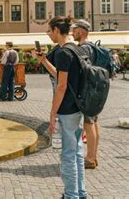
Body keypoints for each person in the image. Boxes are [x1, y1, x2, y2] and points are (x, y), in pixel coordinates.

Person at [46, 16, 87, 198]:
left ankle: (71, 195)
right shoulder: (77, 49)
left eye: (50, 31)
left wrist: (52, 113)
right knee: (77, 152)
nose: (49, 35)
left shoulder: (63, 52)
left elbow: (61, 86)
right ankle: (80, 192)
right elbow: (63, 77)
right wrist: (43, 61)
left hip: (67, 109)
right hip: (79, 106)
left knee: (68, 155)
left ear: (56, 30)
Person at [71, 19, 100, 170]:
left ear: (81, 31)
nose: (72, 33)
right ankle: (93, 156)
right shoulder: (93, 46)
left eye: (74, 30)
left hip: (87, 89)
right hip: (95, 89)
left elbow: (84, 71)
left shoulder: (84, 48)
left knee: (89, 123)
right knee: (94, 122)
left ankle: (89, 158)